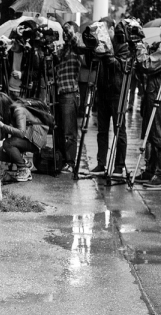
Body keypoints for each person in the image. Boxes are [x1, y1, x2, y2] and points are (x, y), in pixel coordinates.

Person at [90, 17, 131, 176]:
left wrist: (105, 53)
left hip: (117, 92)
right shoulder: (100, 44)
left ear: (113, 29)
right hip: (102, 92)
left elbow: (119, 66)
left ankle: (119, 167)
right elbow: (90, 61)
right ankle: (101, 164)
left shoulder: (123, 46)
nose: (103, 33)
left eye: (105, 30)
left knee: (119, 130)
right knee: (102, 130)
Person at [0, 92, 48, 183]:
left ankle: (24, 169)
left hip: (36, 140)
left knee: (7, 144)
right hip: (27, 139)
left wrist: (3, 126)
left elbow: (21, 133)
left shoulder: (18, 111)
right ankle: (23, 162)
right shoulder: (10, 112)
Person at [53, 21, 83, 173]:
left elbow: (73, 38)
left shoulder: (78, 48)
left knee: (69, 131)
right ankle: (61, 159)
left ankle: (70, 162)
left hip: (70, 93)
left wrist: (62, 24)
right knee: (59, 129)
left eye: (67, 32)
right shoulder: (63, 50)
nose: (65, 35)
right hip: (59, 93)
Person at [136, 41, 161, 189]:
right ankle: (151, 169)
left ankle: (159, 173)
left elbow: (147, 65)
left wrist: (140, 48)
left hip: (158, 96)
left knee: (157, 134)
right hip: (151, 94)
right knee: (150, 134)